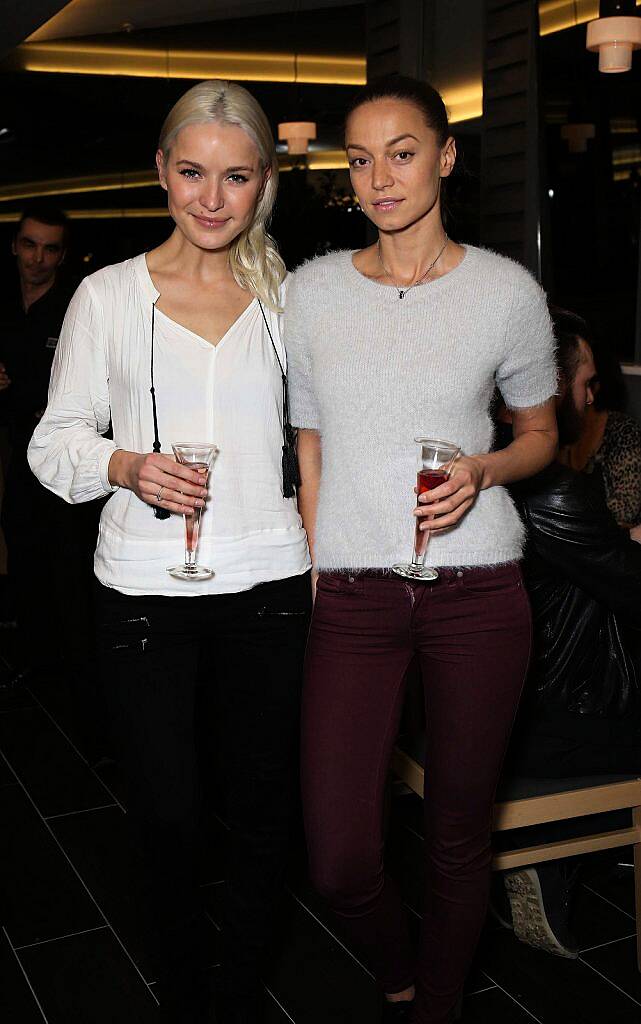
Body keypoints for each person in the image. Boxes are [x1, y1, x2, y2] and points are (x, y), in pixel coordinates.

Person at [28, 80, 311, 1024]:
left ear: (263, 180)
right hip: (145, 588)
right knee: (169, 813)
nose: (211, 198)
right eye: (191, 172)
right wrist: (127, 465)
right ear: (160, 170)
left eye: (235, 177)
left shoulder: (289, 299)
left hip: (271, 579)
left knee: (269, 813)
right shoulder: (105, 296)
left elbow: (323, 439)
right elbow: (51, 438)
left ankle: (237, 987)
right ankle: (188, 985)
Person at [284, 74, 558, 1024]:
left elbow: (540, 434)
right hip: (355, 593)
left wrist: (483, 471)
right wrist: (320, 562)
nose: (380, 177)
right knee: (340, 857)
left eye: (402, 153)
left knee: (454, 834)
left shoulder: (505, 292)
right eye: (359, 159)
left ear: (445, 156)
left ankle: (435, 1003)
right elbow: (308, 441)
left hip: (479, 591)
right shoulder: (312, 293)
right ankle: (396, 964)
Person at [495, 309, 641, 958]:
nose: (593, 393)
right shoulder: (548, 486)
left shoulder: (484, 463)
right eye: (584, 379)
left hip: (503, 705)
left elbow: (591, 557)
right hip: (555, 725)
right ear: (550, 384)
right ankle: (553, 850)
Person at [556, 313, 641, 531]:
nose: (589, 397)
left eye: (590, 383)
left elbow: (626, 510)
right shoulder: (561, 430)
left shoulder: (623, 432)